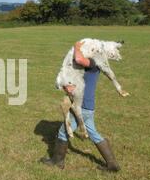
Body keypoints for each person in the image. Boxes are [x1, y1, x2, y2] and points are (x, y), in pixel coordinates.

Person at [40, 41, 121, 171]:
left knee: (63, 132)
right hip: (87, 106)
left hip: (82, 106)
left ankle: (57, 161)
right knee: (93, 133)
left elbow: (78, 58)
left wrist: (77, 47)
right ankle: (112, 165)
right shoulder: (92, 64)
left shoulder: (94, 64)